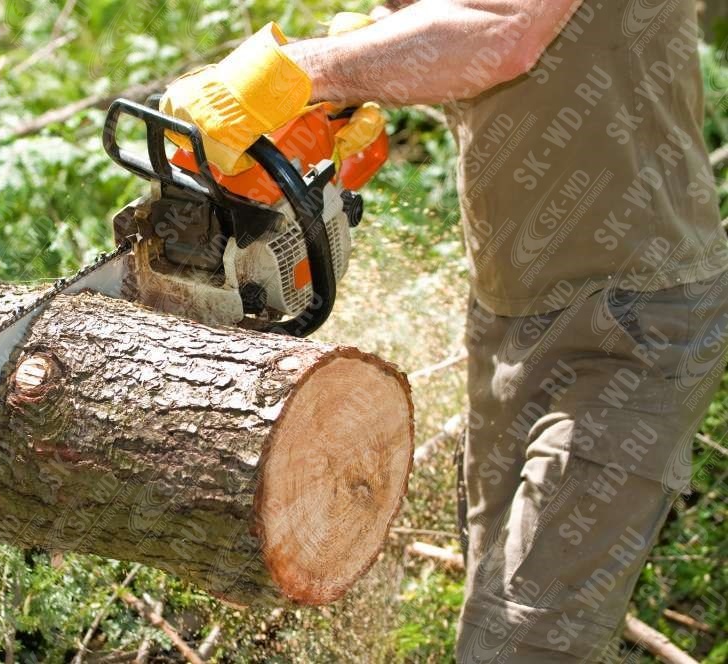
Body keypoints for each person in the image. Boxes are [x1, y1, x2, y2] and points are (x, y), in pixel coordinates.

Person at [160, 1, 728, 661]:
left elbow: (507, 32)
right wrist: (359, 60)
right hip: (506, 316)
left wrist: (303, 72)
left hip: (635, 318)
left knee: (521, 641)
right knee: (494, 604)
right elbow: (430, 13)